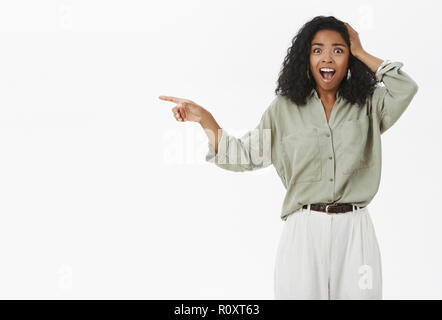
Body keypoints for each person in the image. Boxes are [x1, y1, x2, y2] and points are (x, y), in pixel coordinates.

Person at [158, 16, 418, 300]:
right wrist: (206, 121)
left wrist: (361, 51)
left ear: (349, 58)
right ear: (305, 57)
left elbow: (405, 88)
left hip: (356, 231)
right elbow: (244, 155)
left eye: (338, 50)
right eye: (317, 50)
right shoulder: (283, 109)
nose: (327, 58)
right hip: (303, 231)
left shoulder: (368, 104)